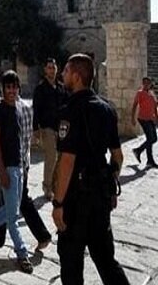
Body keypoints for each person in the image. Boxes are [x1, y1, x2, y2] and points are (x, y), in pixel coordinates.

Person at [52, 54, 130, 285]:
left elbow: (67, 161)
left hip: (76, 200)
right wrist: (110, 185)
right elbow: (118, 156)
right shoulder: (107, 109)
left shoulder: (70, 111)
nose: (62, 75)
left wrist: (58, 204)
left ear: (76, 76)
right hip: (100, 196)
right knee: (107, 261)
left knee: (71, 265)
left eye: (66, 71)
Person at [0, 70, 33, 274]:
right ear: (4, 89)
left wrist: (24, 166)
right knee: (13, 218)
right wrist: (1, 170)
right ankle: (22, 253)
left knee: (14, 209)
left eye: (14, 87)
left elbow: (20, 140)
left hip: (18, 165)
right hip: (7, 166)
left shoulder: (18, 108)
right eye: (8, 87)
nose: (11, 90)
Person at [0, 91, 52, 253]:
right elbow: (27, 138)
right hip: (22, 161)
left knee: (13, 200)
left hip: (10, 162)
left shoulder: (11, 109)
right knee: (11, 198)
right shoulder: (26, 107)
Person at [33, 57, 68, 199]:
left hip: (60, 128)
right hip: (47, 127)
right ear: (45, 70)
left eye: (53, 67)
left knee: (60, 158)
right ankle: (47, 187)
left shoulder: (61, 88)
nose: (51, 70)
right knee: (51, 157)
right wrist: (36, 129)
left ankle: (55, 185)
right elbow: (36, 109)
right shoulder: (40, 89)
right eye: (49, 68)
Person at [130, 77, 158, 168]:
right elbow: (134, 105)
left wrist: (156, 118)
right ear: (142, 84)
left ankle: (141, 153)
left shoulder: (152, 94)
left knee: (153, 139)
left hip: (151, 119)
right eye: (144, 83)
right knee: (150, 138)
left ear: (150, 84)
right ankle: (142, 154)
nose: (146, 84)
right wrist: (132, 118)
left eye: (148, 83)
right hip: (143, 118)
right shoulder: (140, 93)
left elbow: (154, 107)